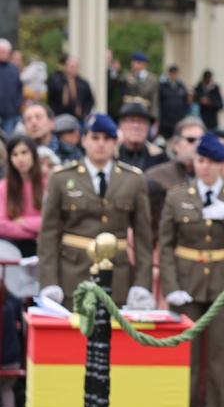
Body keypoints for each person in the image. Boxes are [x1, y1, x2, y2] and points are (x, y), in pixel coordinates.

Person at [157, 132, 224, 407]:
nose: (205, 167)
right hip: (187, 286)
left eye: (212, 162)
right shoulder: (177, 195)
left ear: (222, 165)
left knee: (220, 366)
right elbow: (165, 246)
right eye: (201, 160)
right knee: (188, 367)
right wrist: (171, 286)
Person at [37, 113, 154, 308]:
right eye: (95, 138)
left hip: (118, 276)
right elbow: (48, 234)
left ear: (116, 142)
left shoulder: (133, 179)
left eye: (107, 139)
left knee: (114, 334)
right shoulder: (61, 178)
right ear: (84, 141)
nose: (101, 144)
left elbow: (143, 238)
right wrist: (49, 282)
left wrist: (142, 284)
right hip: (73, 274)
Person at [144, 116, 205, 223]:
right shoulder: (155, 176)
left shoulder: (214, 175)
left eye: (202, 140)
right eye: (191, 140)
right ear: (176, 145)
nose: (198, 145)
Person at [0, 134, 44, 257]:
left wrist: (24, 222)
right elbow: (1, 225)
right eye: (15, 154)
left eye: (24, 152)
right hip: (13, 246)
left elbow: (52, 220)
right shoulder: (3, 187)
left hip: (44, 246)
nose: (20, 159)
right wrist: (35, 232)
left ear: (33, 154)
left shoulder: (48, 183)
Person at [114, 99, 168, 172]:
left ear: (149, 127)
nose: (136, 126)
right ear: (120, 126)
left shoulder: (160, 158)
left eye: (141, 121)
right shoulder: (110, 155)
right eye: (131, 120)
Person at [46, 56, 94, 120]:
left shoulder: (83, 83)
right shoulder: (56, 80)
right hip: (59, 116)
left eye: (75, 67)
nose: (73, 69)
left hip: (78, 118)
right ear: (66, 67)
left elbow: (90, 100)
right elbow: (52, 94)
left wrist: (84, 112)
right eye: (71, 66)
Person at [156, 64, 190, 139]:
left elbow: (186, 101)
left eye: (175, 73)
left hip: (178, 119)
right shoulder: (162, 86)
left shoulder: (181, 86)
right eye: (172, 73)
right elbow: (158, 101)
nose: (173, 75)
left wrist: (183, 113)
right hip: (165, 120)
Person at [0, 39, 22, 133]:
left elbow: (19, 89)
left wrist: (16, 106)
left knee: (7, 139)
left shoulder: (14, 69)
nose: (2, 54)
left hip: (9, 113)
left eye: (4, 52)